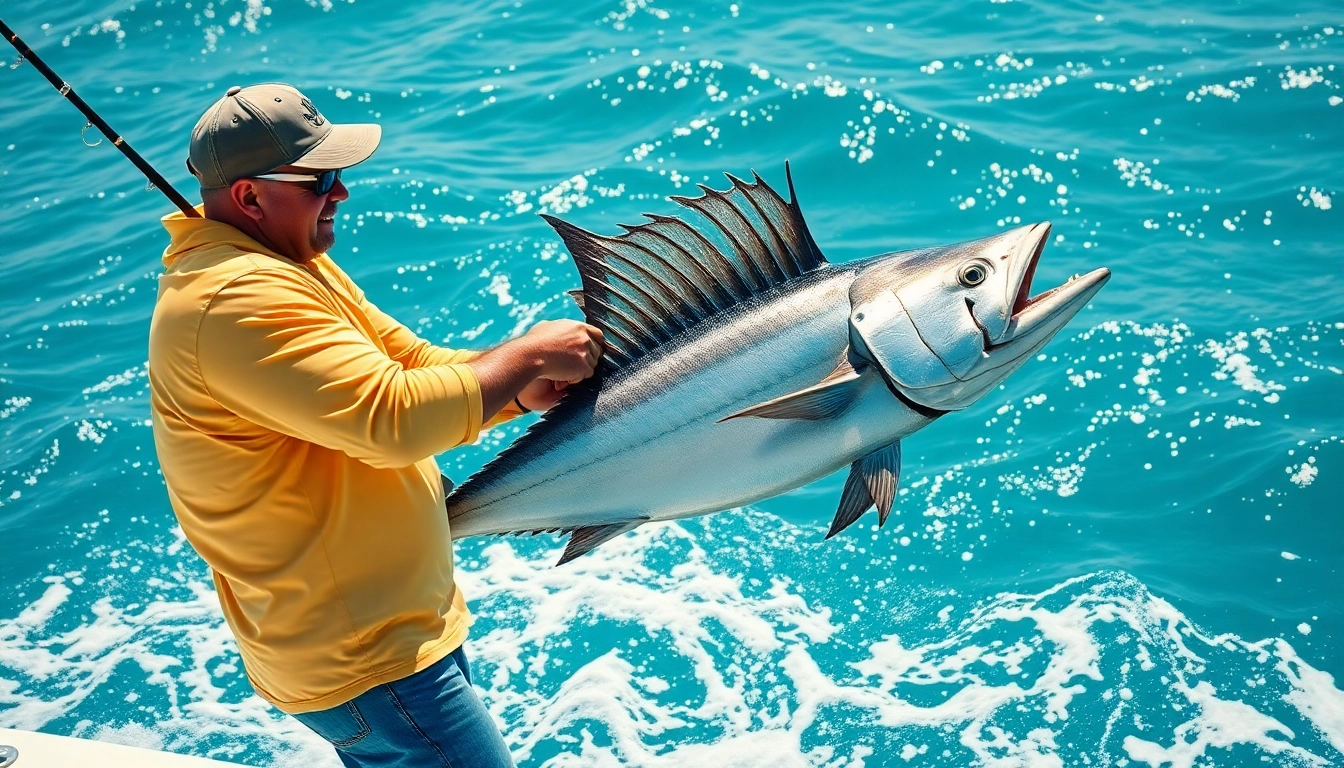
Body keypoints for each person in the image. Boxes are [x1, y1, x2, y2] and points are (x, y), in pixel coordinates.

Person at [148, 83, 603, 767]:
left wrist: (516, 391)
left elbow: (409, 365)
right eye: (320, 178)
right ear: (248, 198)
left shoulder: (287, 265)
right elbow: (391, 419)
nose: (341, 194)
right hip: (369, 659)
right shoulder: (236, 300)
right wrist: (529, 353)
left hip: (383, 640)